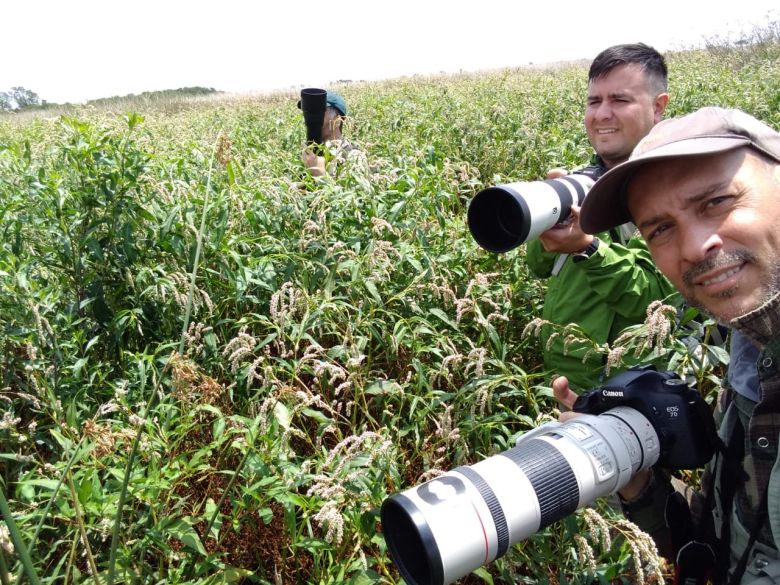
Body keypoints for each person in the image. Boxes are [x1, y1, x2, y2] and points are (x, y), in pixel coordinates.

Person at [556, 106, 780, 584]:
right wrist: (636, 480)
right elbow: (717, 546)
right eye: (659, 228)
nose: (695, 246)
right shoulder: (750, 357)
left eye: (717, 201)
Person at [524, 43, 678, 391]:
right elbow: (540, 267)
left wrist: (588, 249)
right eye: (594, 101)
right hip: (566, 379)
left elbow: (655, 305)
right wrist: (549, 214)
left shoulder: (676, 192)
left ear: (658, 107)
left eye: (620, 100)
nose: (602, 114)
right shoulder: (581, 181)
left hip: (635, 384)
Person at [299, 90, 360, 178]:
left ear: (338, 120)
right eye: (308, 110)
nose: (311, 116)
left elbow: (358, 191)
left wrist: (320, 175)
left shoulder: (353, 155)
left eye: (318, 111)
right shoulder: (309, 152)